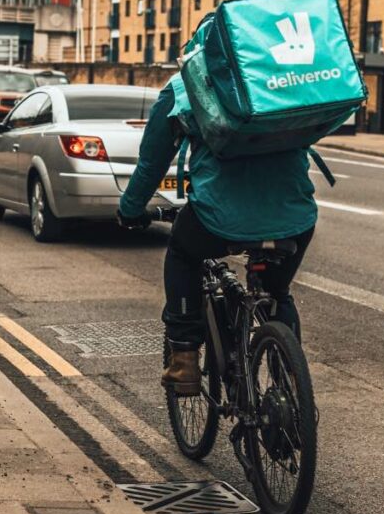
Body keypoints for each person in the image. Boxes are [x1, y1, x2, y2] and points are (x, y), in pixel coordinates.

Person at [117, 74, 317, 396]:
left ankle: (183, 359)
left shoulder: (184, 86)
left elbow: (152, 163)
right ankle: (291, 387)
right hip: (295, 217)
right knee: (276, 292)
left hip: (217, 218)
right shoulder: (281, 77)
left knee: (183, 253)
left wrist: (130, 209)